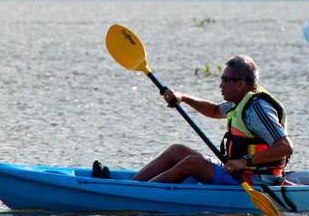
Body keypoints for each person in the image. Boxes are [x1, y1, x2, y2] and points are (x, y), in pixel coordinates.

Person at [123, 55, 293, 185]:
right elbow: (213, 110)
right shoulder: (240, 102)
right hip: (238, 173)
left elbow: (285, 147)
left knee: (192, 163)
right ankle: (131, 186)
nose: (220, 85)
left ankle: (138, 195)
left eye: (225, 80)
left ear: (241, 84)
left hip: (256, 180)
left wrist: (244, 162)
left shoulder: (257, 109)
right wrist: (182, 97)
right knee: (177, 150)